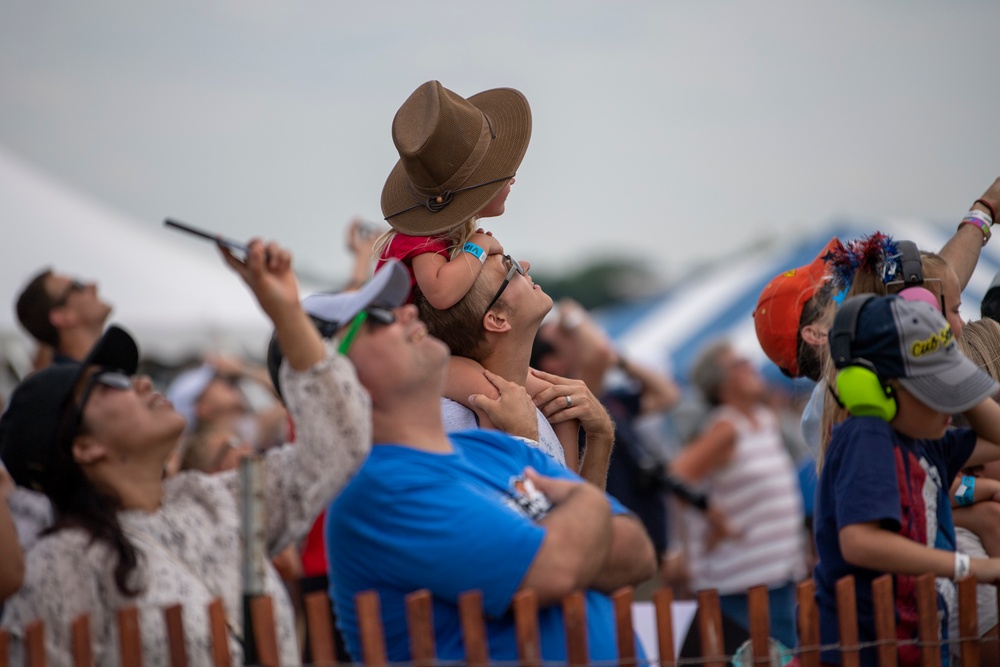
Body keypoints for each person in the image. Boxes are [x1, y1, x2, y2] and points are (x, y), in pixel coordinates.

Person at [0, 239, 372, 666]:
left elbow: (338, 442)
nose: (139, 382)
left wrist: (286, 311)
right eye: (111, 385)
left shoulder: (215, 501)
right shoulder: (59, 567)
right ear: (85, 447)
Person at [303, 277, 657, 663]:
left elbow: (637, 554)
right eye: (377, 319)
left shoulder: (498, 442)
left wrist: (570, 525)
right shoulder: (379, 490)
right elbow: (554, 571)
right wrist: (584, 503)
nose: (406, 311)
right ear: (335, 380)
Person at [814, 294, 1000, 667]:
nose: (950, 405)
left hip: (918, 649)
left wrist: (953, 373)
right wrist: (968, 567)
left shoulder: (926, 441)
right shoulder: (867, 438)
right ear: (872, 391)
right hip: (868, 655)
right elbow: (859, 542)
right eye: (933, 391)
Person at [416, 252, 616, 485]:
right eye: (509, 267)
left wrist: (601, 437)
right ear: (498, 319)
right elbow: (501, 517)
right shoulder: (454, 418)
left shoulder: (535, 402)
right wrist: (523, 440)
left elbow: (580, 516)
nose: (525, 265)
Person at [669, 340, 806, 649]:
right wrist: (712, 515)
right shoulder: (727, 427)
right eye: (739, 364)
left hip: (773, 571)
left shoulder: (763, 419)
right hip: (742, 581)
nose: (750, 367)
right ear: (720, 384)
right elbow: (676, 476)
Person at [374, 80, 528, 310]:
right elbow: (441, 293)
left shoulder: (436, 236)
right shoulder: (422, 236)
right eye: (502, 172)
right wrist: (479, 245)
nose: (513, 178)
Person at [15, 268, 112, 365]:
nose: (94, 285)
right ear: (62, 316)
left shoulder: (113, 371)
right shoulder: (74, 379)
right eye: (78, 286)